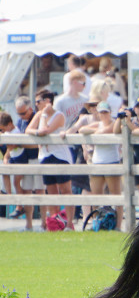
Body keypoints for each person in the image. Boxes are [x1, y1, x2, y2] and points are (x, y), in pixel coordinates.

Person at [26, 90, 75, 231]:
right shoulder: (39, 115)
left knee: (65, 190)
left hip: (60, 156)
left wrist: (45, 115)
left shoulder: (58, 115)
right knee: (51, 191)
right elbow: (30, 130)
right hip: (45, 156)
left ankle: (69, 223)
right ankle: (55, 222)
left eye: (38, 102)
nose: (36, 105)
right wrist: (37, 131)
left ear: (47, 101)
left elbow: (45, 130)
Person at [78, 101, 123, 230]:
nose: (103, 115)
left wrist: (96, 131)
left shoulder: (115, 122)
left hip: (111, 161)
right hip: (97, 161)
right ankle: (97, 223)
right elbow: (82, 129)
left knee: (116, 195)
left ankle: (118, 225)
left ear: (110, 112)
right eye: (101, 112)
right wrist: (98, 129)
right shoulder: (97, 124)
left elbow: (107, 131)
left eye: (105, 112)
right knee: (96, 195)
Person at [13, 96, 45, 226]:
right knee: (26, 190)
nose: (21, 116)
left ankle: (44, 223)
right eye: (18, 113)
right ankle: (29, 224)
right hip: (26, 160)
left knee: (40, 190)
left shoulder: (37, 119)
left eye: (23, 113)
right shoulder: (20, 122)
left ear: (30, 109)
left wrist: (20, 144)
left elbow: (38, 143)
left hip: (37, 159)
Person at [114, 97, 139, 213]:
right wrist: (120, 118)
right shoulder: (133, 122)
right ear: (134, 109)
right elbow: (116, 131)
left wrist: (128, 122)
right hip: (138, 159)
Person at [0, 113, 34, 230]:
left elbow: (12, 145)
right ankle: (11, 197)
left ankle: (19, 205)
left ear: (9, 125)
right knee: (8, 176)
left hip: (20, 158)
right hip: (14, 157)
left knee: (17, 183)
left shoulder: (16, 132)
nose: (2, 131)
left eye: (2, 129)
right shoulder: (9, 132)